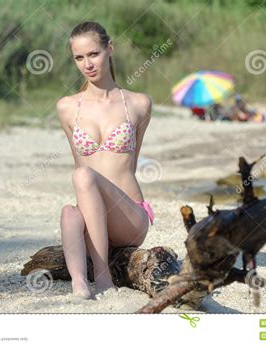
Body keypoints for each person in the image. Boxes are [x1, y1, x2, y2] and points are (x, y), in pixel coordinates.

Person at [56, 21, 155, 299]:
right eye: (79, 57)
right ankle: (79, 284)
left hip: (130, 217)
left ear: (109, 49)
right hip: (94, 213)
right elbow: (79, 162)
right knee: (68, 211)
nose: (87, 64)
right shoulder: (66, 108)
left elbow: (131, 164)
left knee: (83, 176)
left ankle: (102, 276)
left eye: (93, 54)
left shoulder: (138, 103)